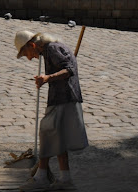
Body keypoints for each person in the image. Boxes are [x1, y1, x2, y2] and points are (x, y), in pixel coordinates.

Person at [14, 30, 88, 191]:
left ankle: (42, 177)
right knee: (56, 136)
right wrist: (47, 79)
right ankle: (64, 179)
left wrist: (48, 78)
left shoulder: (52, 49)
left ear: (32, 45)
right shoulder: (49, 50)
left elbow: (69, 70)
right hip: (62, 97)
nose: (29, 57)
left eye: (27, 53)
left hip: (64, 98)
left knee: (47, 131)